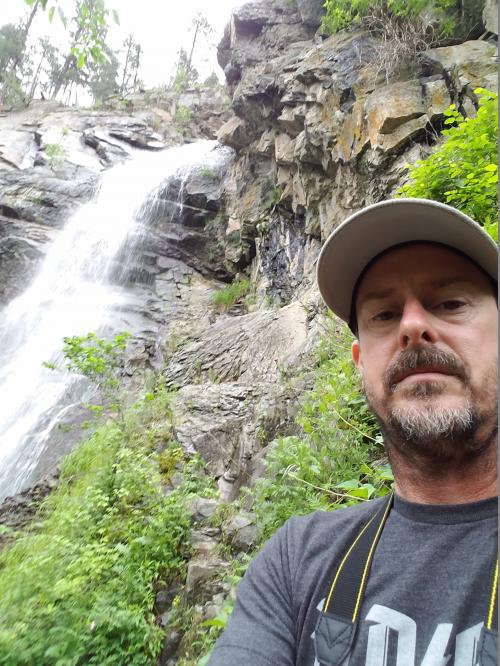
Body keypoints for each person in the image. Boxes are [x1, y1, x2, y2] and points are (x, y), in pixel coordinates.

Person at [207, 198, 498, 666]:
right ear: (361, 365)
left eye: (450, 304)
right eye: (384, 315)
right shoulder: (296, 560)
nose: (413, 326)